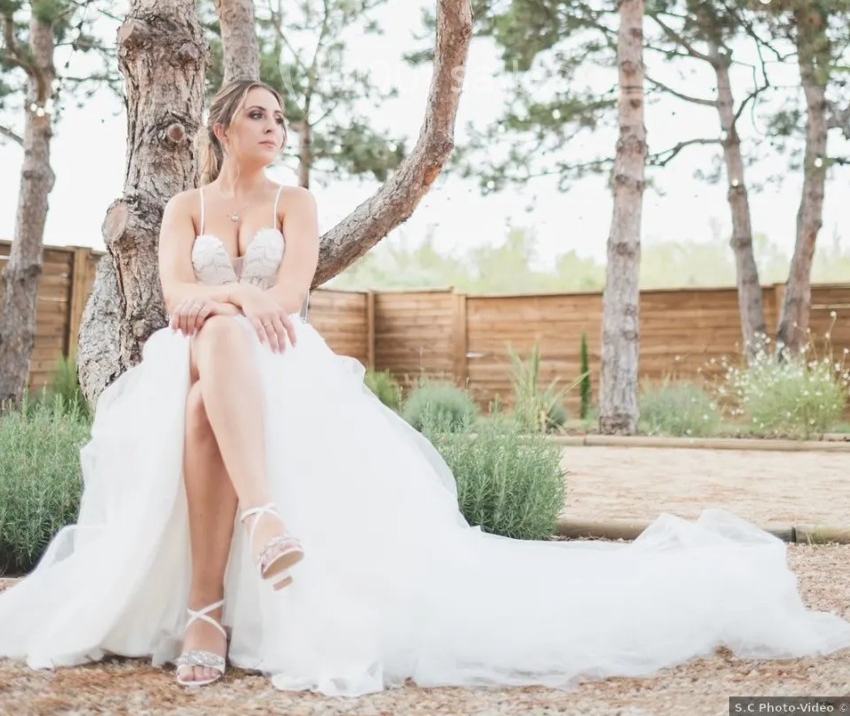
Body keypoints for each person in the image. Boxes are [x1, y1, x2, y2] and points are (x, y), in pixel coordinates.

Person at [0, 76, 848, 696]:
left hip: (271, 358)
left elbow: (290, 297)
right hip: (199, 345)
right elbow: (177, 297)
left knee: (201, 409)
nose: (274, 125)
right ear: (222, 126)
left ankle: (207, 611)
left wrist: (226, 302)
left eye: (282, 116)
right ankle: (262, 523)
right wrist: (221, 295)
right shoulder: (184, 206)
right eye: (257, 114)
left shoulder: (297, 202)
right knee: (211, 338)